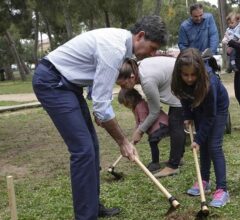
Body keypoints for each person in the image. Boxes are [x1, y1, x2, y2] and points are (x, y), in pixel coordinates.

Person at [32, 15, 167, 219]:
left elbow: (95, 78)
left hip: (69, 85)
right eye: (153, 47)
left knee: (92, 147)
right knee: (83, 151)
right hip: (53, 83)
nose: (152, 53)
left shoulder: (121, 45)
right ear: (140, 36)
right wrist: (123, 142)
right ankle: (86, 216)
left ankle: (92, 206)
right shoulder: (114, 49)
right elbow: (103, 107)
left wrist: (98, 108)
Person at [171, 48, 230, 207]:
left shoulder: (209, 82)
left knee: (214, 146)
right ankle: (204, 181)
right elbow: (184, 98)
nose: (189, 79)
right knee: (203, 146)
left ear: (200, 71)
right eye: (185, 75)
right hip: (198, 106)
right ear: (179, 73)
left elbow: (210, 116)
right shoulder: (180, 81)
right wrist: (188, 116)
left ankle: (222, 190)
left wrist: (198, 138)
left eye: (193, 75)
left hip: (216, 108)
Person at [116, 57, 186, 178]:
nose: (123, 89)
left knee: (175, 124)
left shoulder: (147, 81)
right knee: (176, 122)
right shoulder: (138, 68)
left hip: (184, 83)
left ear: (132, 77)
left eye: (123, 85)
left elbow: (154, 111)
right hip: (178, 85)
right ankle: (178, 158)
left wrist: (140, 131)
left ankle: (173, 166)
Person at [118, 88, 169, 172]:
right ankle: (156, 162)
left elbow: (143, 121)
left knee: (153, 142)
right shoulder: (135, 107)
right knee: (153, 142)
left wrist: (139, 133)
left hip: (161, 124)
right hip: (157, 126)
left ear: (132, 98)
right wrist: (135, 135)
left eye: (126, 103)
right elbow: (138, 124)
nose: (126, 106)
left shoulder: (140, 105)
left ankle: (155, 163)